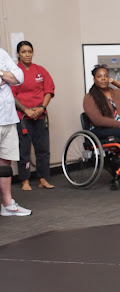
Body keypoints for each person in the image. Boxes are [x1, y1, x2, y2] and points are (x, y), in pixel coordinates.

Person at [11, 41, 55, 191]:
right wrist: (26, 110)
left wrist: (42, 108)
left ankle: (43, 178)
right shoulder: (14, 72)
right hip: (23, 117)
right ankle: (25, 180)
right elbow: (12, 95)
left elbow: (48, 90)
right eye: (23, 52)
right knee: (24, 150)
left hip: (40, 115)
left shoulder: (40, 70)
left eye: (29, 51)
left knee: (43, 149)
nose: (27, 54)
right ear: (18, 54)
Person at [0, 47, 31, 216]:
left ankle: (7, 204)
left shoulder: (1, 53)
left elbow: (19, 77)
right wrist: (6, 75)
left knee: (5, 162)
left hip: (8, 118)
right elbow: (10, 78)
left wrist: (1, 73)